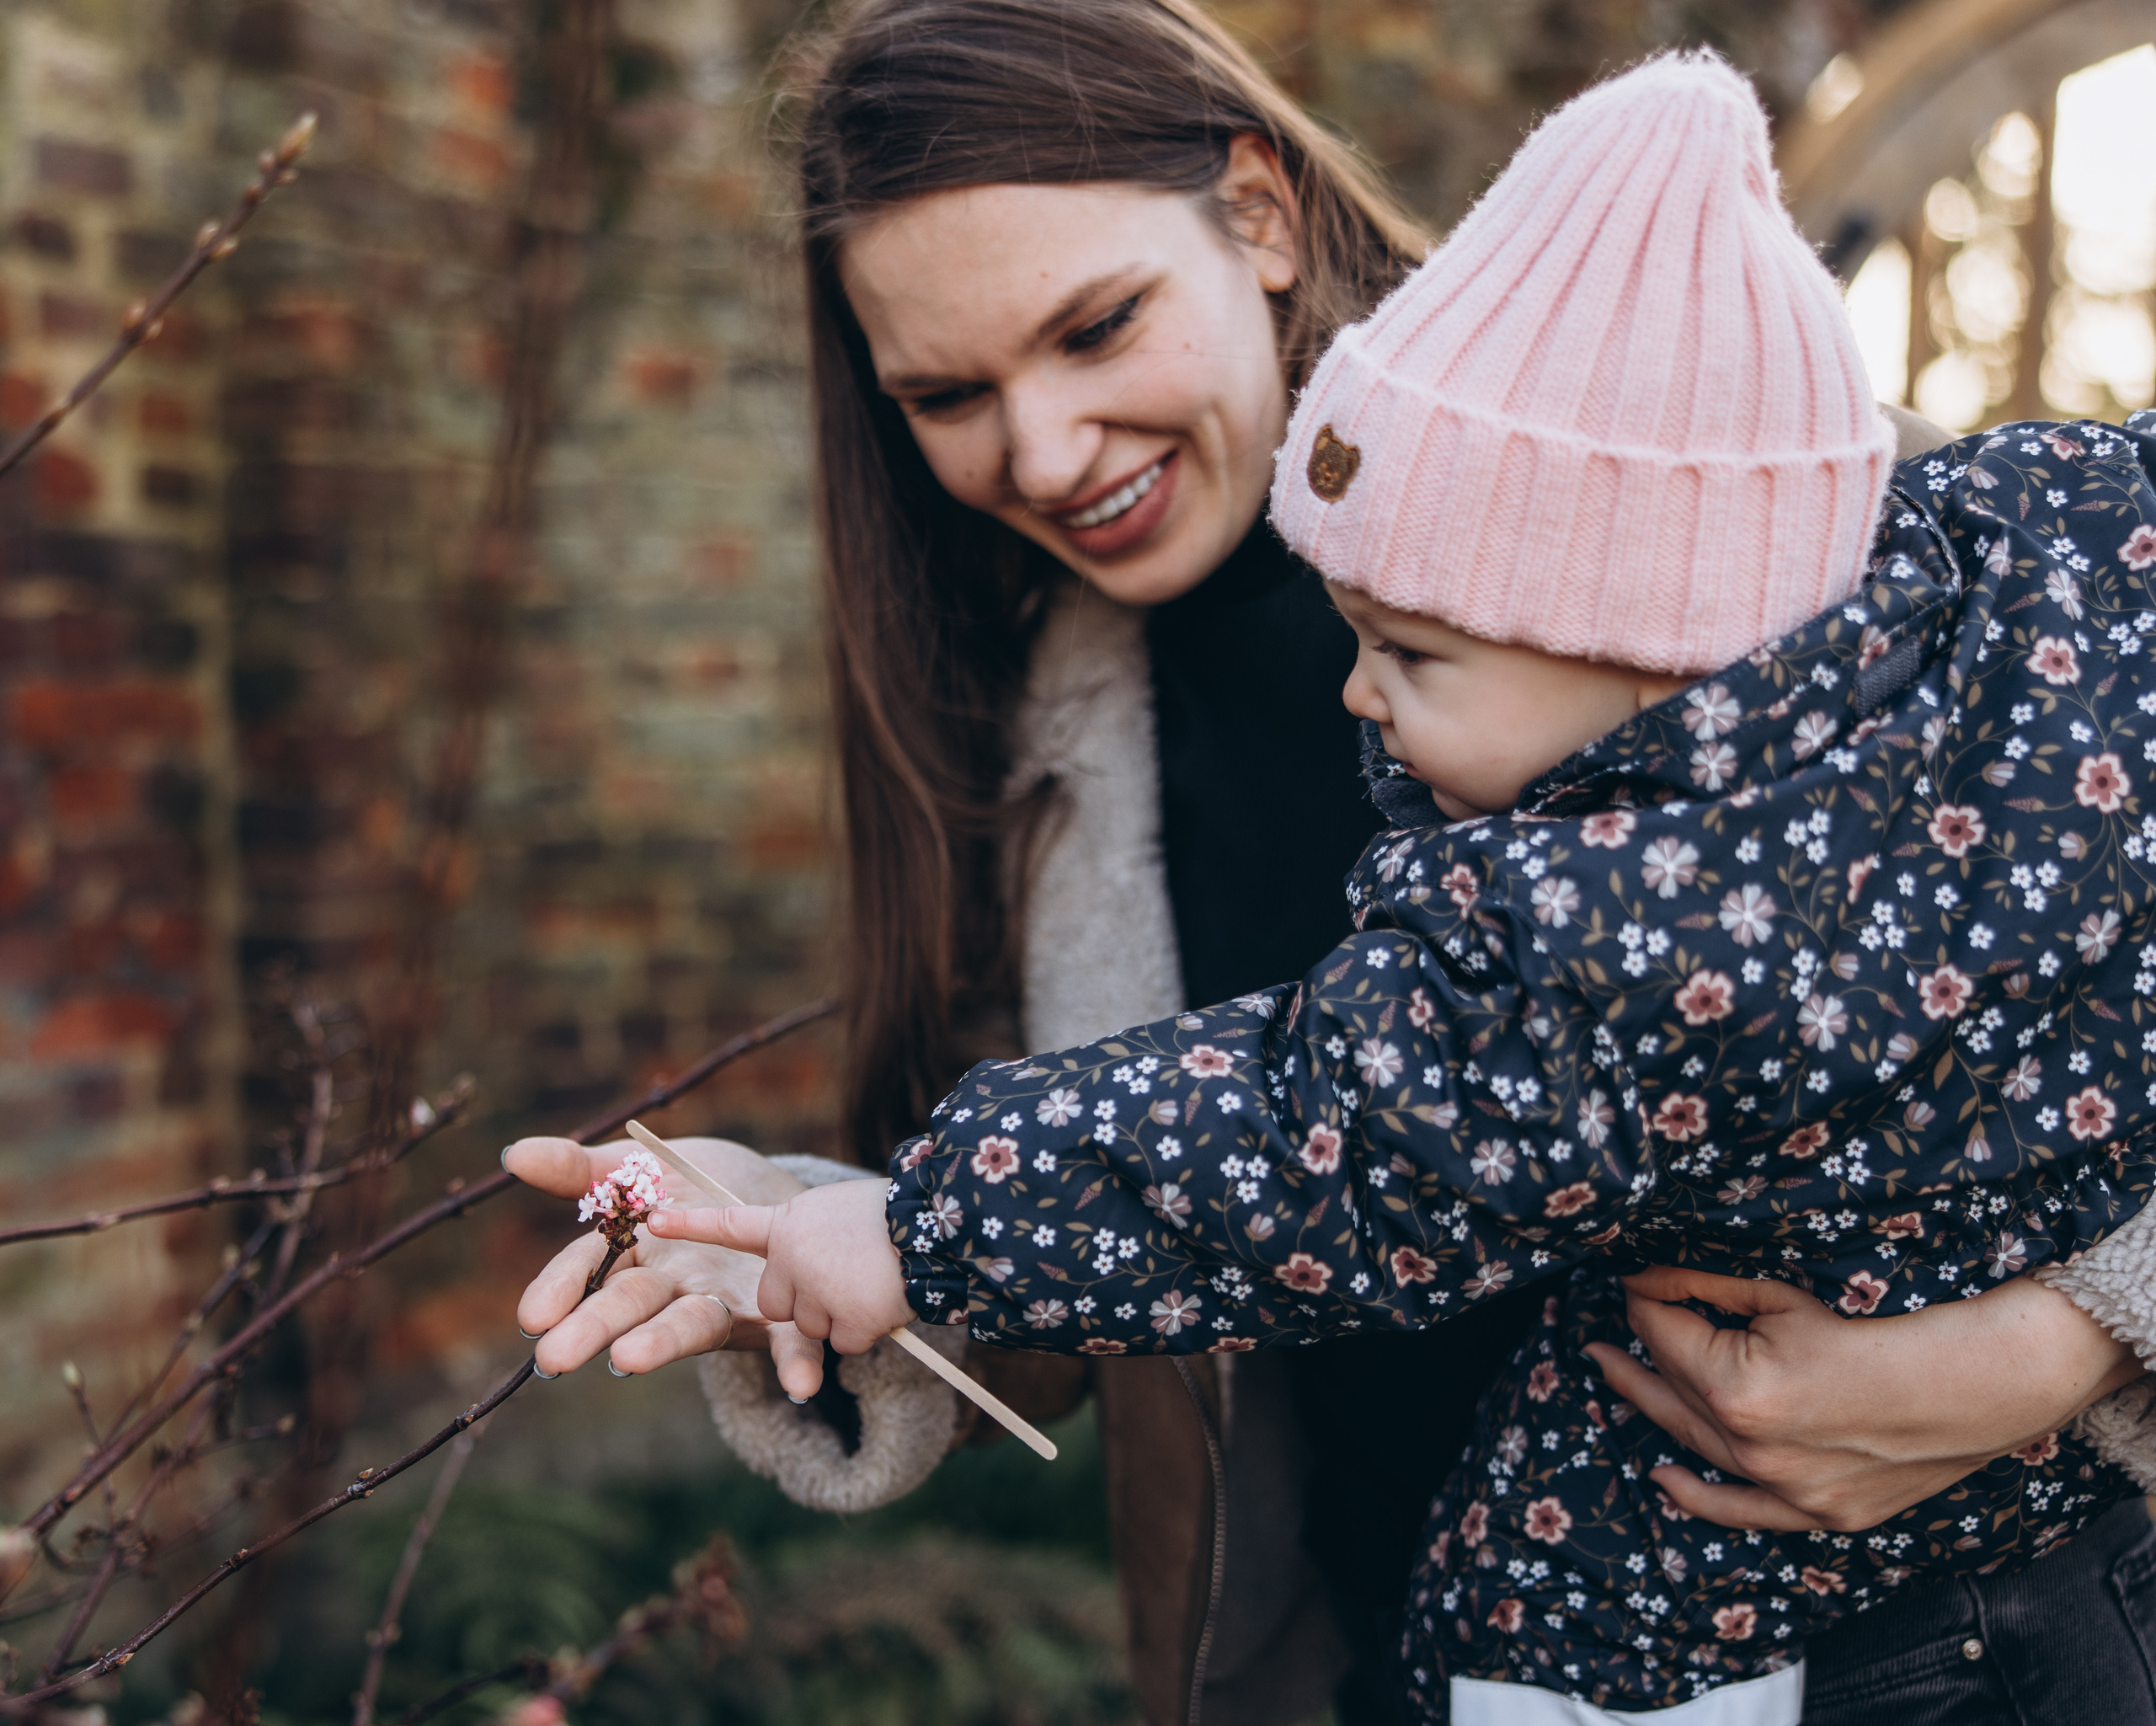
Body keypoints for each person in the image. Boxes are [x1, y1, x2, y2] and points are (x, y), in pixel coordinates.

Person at [502, 3, 2156, 1721]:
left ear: (1260, 212)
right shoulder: (1032, 740)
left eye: (1095, 325)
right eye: (948, 393)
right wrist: (794, 1230)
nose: (1045, 446)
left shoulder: (1788, 555)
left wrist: (2055, 1351)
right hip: (1393, 1653)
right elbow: (1144, 1233)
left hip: (1941, 1636)